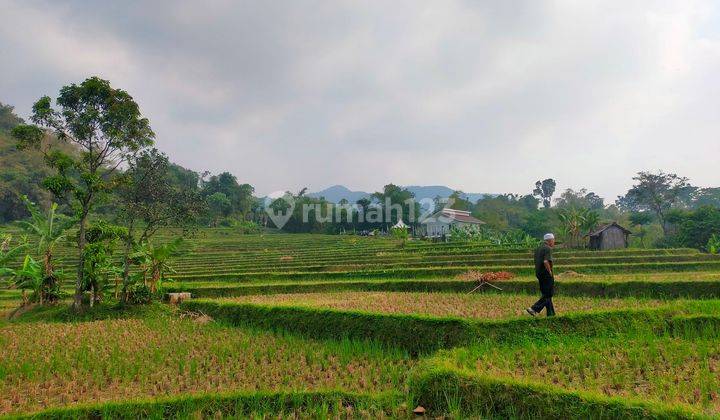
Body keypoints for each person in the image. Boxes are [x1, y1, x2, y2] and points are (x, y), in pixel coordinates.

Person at [526, 233, 556, 317]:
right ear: (549, 241)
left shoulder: (538, 248)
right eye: (553, 240)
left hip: (539, 274)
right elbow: (546, 261)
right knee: (548, 294)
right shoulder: (548, 249)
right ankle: (534, 308)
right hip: (546, 274)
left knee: (546, 294)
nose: (554, 242)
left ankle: (551, 314)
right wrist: (550, 272)